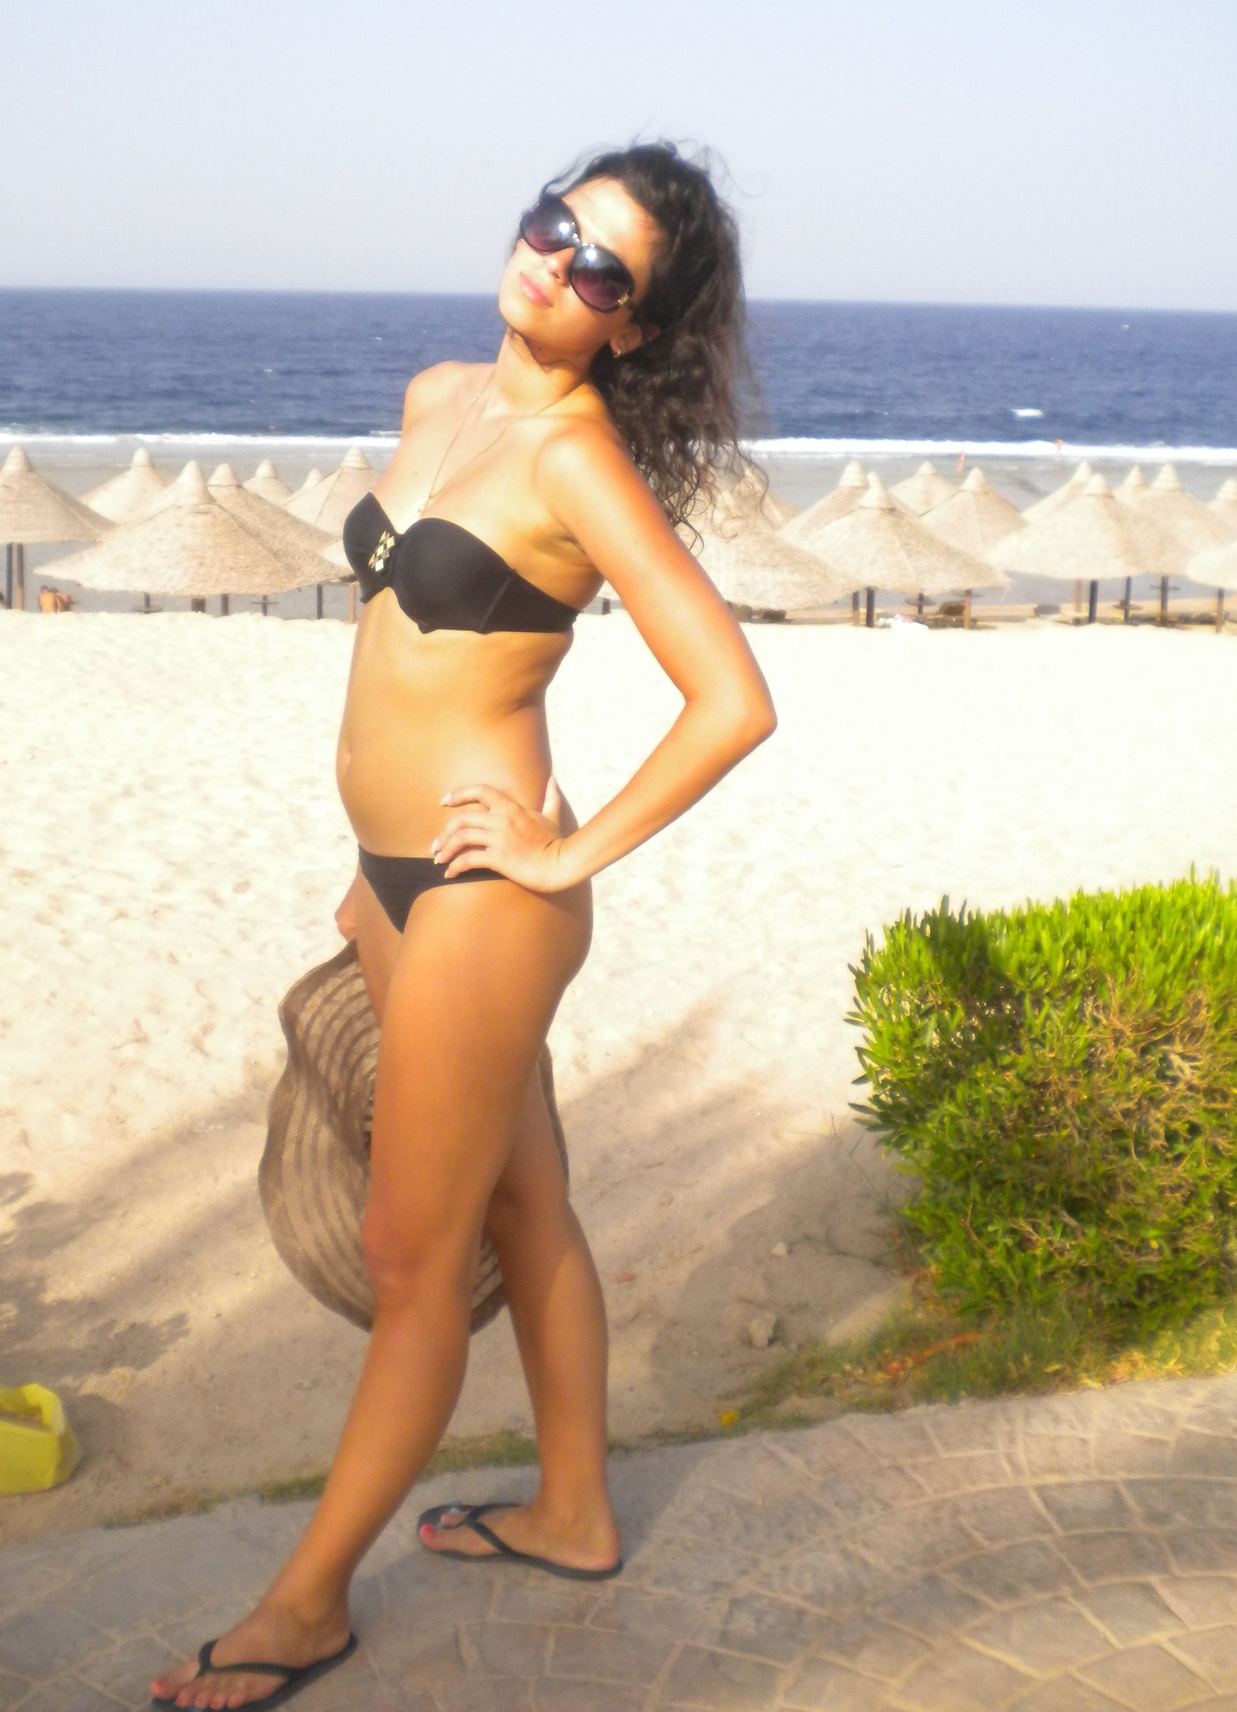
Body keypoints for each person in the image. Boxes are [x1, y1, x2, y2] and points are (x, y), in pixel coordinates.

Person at [151, 141, 778, 1709]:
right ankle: (572, 1515)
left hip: (489, 899)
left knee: (411, 1262)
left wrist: (568, 857)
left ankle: (304, 1607)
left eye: (602, 268)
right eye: (557, 223)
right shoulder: (439, 395)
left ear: (633, 326)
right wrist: (370, 869)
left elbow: (732, 699)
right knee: (524, 1204)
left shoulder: (577, 464)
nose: (556, 261)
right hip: (394, 876)